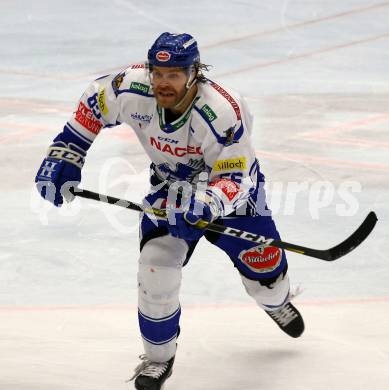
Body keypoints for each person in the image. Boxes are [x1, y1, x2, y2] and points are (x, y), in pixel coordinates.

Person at [35, 32, 304, 390]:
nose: (163, 82)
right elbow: (94, 102)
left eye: (174, 74)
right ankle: (158, 359)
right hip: (170, 190)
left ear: (194, 74)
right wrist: (67, 151)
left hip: (235, 198)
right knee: (155, 267)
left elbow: (235, 175)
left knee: (265, 272)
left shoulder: (222, 110)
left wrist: (206, 204)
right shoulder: (131, 87)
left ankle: (275, 301)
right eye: (158, 73)